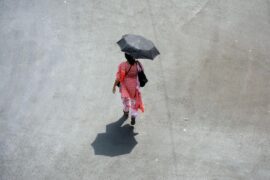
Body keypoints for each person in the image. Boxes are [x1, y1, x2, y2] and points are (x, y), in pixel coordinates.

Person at [112, 53, 144, 125]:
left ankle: (126, 111)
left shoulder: (123, 65)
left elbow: (118, 77)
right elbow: (141, 74)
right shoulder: (138, 64)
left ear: (126, 57)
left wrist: (114, 86)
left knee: (125, 99)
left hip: (125, 85)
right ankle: (133, 115)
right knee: (134, 101)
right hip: (134, 85)